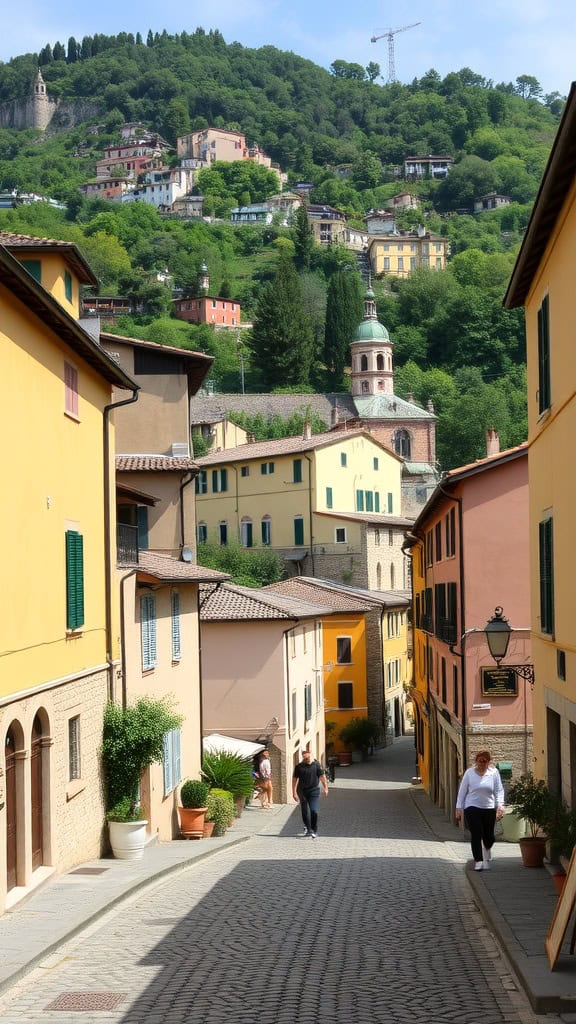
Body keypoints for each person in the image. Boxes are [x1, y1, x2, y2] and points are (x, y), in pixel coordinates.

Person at [455, 750, 505, 871]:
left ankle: (486, 850)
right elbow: (462, 791)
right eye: (479, 761)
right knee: (476, 833)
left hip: (489, 807)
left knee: (489, 836)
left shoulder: (493, 773)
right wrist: (458, 808)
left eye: (484, 761)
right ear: (476, 761)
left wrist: (500, 806)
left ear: (489, 762)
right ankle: (478, 860)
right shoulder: (469, 773)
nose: (482, 763)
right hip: (472, 807)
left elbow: (499, 790)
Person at [292, 749, 328, 838]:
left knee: (314, 810)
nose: (306, 757)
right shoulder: (299, 767)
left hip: (314, 791)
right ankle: (308, 829)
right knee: (305, 811)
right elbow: (294, 780)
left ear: (310, 755)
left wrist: (326, 788)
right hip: (302, 791)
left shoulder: (316, 765)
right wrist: (294, 792)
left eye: (307, 755)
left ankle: (314, 829)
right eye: (304, 755)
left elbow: (322, 777)